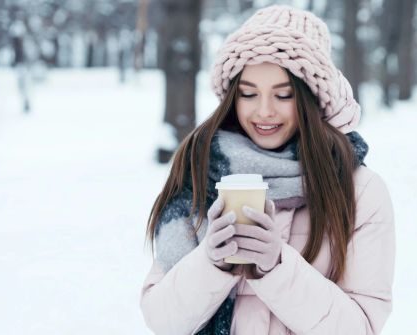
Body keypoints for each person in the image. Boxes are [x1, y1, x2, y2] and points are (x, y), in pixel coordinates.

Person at [139, 5, 395, 335]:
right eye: (248, 93)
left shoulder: (360, 192)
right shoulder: (201, 173)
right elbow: (161, 321)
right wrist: (210, 263)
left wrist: (277, 267)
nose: (264, 111)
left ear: (312, 98)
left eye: (283, 95)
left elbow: (361, 328)